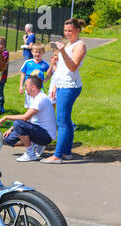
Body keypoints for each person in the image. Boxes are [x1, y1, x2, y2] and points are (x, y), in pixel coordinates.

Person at [41, 18, 87, 164]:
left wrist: (62, 51)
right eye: (65, 30)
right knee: (65, 120)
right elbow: (61, 68)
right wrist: (55, 85)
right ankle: (66, 152)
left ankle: (58, 155)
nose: (67, 33)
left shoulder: (80, 45)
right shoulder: (69, 44)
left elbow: (72, 67)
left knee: (61, 121)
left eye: (70, 31)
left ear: (78, 30)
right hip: (62, 84)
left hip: (70, 86)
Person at [0, 75, 56, 162]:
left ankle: (30, 154)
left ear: (33, 87)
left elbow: (25, 117)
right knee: (8, 139)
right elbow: (28, 118)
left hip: (46, 135)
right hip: (38, 130)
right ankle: (33, 144)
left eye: (26, 85)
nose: (24, 88)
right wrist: (11, 128)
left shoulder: (40, 99)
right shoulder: (34, 98)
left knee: (18, 123)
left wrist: (6, 117)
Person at [19, 43, 50, 108]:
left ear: (43, 53)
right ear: (32, 52)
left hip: (39, 88)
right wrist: (21, 86)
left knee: (39, 104)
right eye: (35, 52)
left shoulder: (45, 64)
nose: (37, 54)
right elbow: (23, 74)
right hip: (28, 88)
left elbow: (50, 72)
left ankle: (38, 117)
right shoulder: (27, 62)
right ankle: (28, 117)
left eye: (39, 52)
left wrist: (46, 79)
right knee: (29, 105)